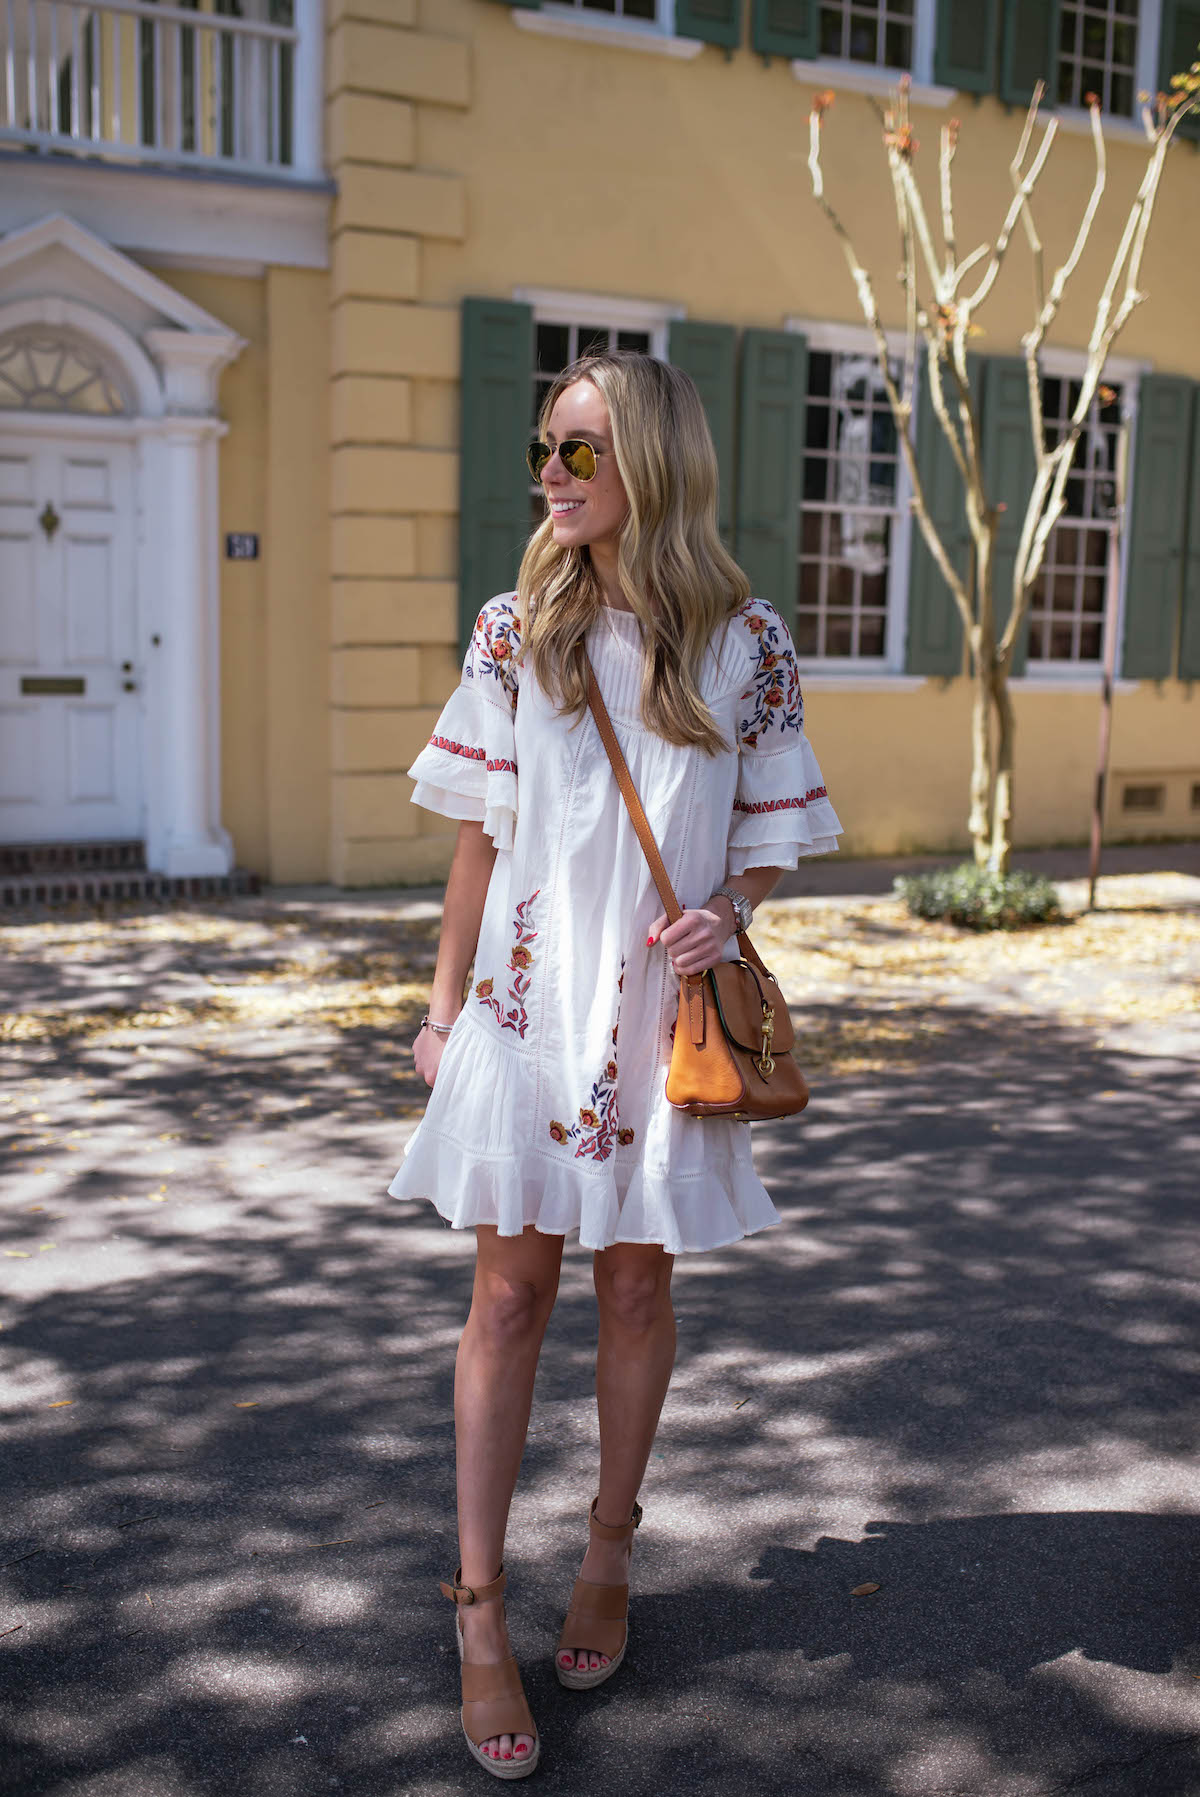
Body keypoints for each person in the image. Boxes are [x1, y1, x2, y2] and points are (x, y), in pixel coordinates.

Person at [388, 350, 841, 1779]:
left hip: (657, 1017)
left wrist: (734, 909)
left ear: (650, 462)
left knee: (637, 1279)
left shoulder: (744, 639)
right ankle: (477, 1610)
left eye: (581, 451)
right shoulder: (520, 627)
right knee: (509, 1299)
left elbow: (768, 831)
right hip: (528, 1011)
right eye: (548, 448)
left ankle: (608, 1545)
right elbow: (475, 830)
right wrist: (441, 1002)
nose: (552, 474)